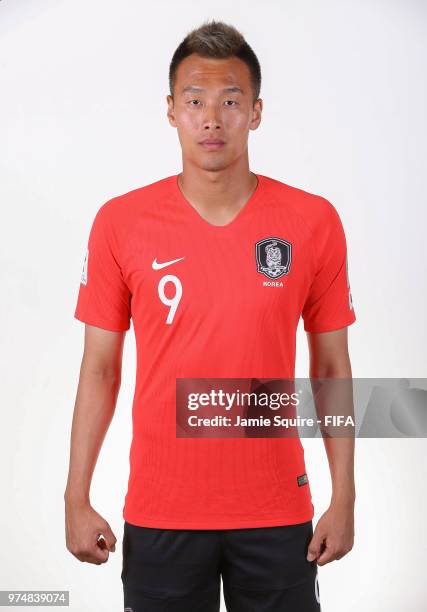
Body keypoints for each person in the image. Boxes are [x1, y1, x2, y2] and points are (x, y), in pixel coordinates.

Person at [64, 19, 356, 612]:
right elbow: (99, 369)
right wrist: (75, 496)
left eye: (230, 101)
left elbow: (331, 366)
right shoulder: (120, 223)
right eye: (195, 101)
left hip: (276, 511)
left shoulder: (312, 222)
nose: (212, 118)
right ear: (171, 110)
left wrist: (344, 495)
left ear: (256, 111)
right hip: (161, 511)